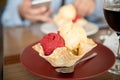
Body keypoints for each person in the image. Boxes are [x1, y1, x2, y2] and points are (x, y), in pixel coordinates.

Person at [1, 0, 105, 27]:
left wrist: (93, 4)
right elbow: (6, 18)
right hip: (35, 41)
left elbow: (112, 6)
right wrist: (21, 12)